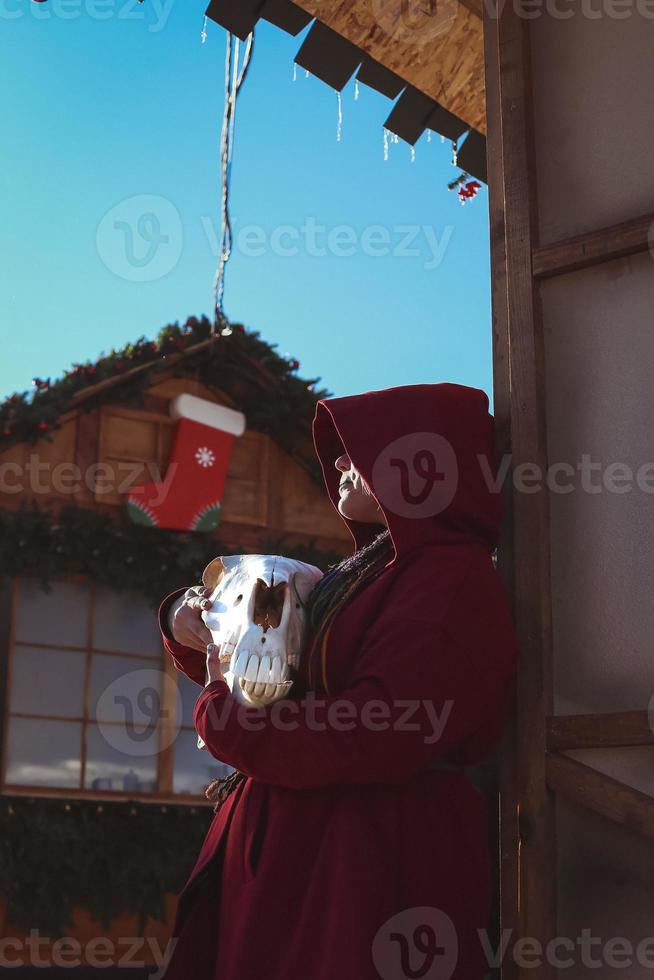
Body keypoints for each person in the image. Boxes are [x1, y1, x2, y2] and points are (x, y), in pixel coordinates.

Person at [157, 382, 518, 980]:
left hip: (362, 869)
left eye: (366, 449)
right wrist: (190, 615)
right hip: (306, 860)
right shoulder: (380, 569)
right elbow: (274, 662)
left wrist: (226, 719)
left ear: (420, 467)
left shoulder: (449, 584)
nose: (343, 463)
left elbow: (374, 731)